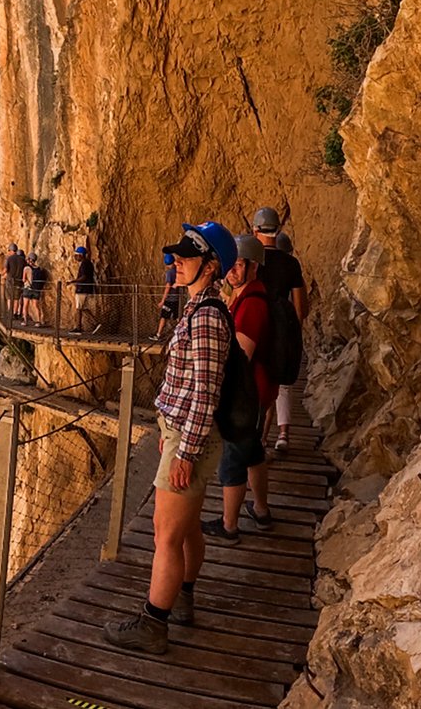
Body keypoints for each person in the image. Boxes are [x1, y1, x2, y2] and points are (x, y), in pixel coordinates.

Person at [104, 221, 235, 653]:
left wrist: (186, 452)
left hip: (190, 439)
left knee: (166, 535)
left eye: (186, 257)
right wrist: (169, 430)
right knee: (186, 526)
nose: (176, 262)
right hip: (181, 433)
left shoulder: (209, 318)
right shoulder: (197, 309)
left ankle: (153, 624)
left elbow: (205, 391)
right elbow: (189, 387)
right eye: (177, 256)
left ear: (211, 267)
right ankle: (183, 596)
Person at [202, 234, 276, 545]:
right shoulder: (250, 296)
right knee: (253, 452)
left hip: (247, 393)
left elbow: (240, 355)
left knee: (232, 458)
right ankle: (260, 509)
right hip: (259, 390)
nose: (231, 270)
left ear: (254, 266)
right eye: (230, 264)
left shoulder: (252, 304)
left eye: (239, 265)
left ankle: (229, 526)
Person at [252, 207, 307, 452]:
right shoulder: (291, 264)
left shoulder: (253, 263)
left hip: (258, 326)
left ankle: (258, 439)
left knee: (259, 382)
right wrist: (293, 331)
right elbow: (300, 307)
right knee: (280, 384)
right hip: (283, 328)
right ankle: (279, 435)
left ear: (255, 230)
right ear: (278, 230)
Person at [70, 246, 97, 333]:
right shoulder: (88, 263)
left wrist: (73, 281)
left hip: (82, 289)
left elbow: (84, 276)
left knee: (79, 309)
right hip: (87, 288)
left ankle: (78, 328)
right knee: (84, 308)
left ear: (81, 255)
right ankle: (96, 324)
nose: (75, 257)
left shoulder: (85, 264)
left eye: (76, 255)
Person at [155, 254, 180, 339]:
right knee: (177, 316)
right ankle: (183, 332)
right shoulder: (178, 270)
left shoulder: (169, 273)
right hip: (177, 298)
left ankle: (158, 334)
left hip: (170, 299)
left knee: (164, 316)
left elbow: (168, 286)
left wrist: (163, 300)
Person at [21, 253, 48, 326]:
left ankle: (25, 321)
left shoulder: (26, 268)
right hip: (36, 289)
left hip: (28, 288)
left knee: (25, 305)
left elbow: (23, 279)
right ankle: (38, 321)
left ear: (29, 259)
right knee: (36, 305)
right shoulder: (39, 269)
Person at [3, 244, 26, 320]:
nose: (8, 252)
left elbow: (6, 270)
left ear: (11, 250)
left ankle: (10, 313)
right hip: (19, 281)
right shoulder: (22, 259)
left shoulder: (9, 259)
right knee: (16, 298)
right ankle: (15, 313)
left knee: (9, 298)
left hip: (10, 281)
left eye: (9, 250)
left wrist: (0, 274)